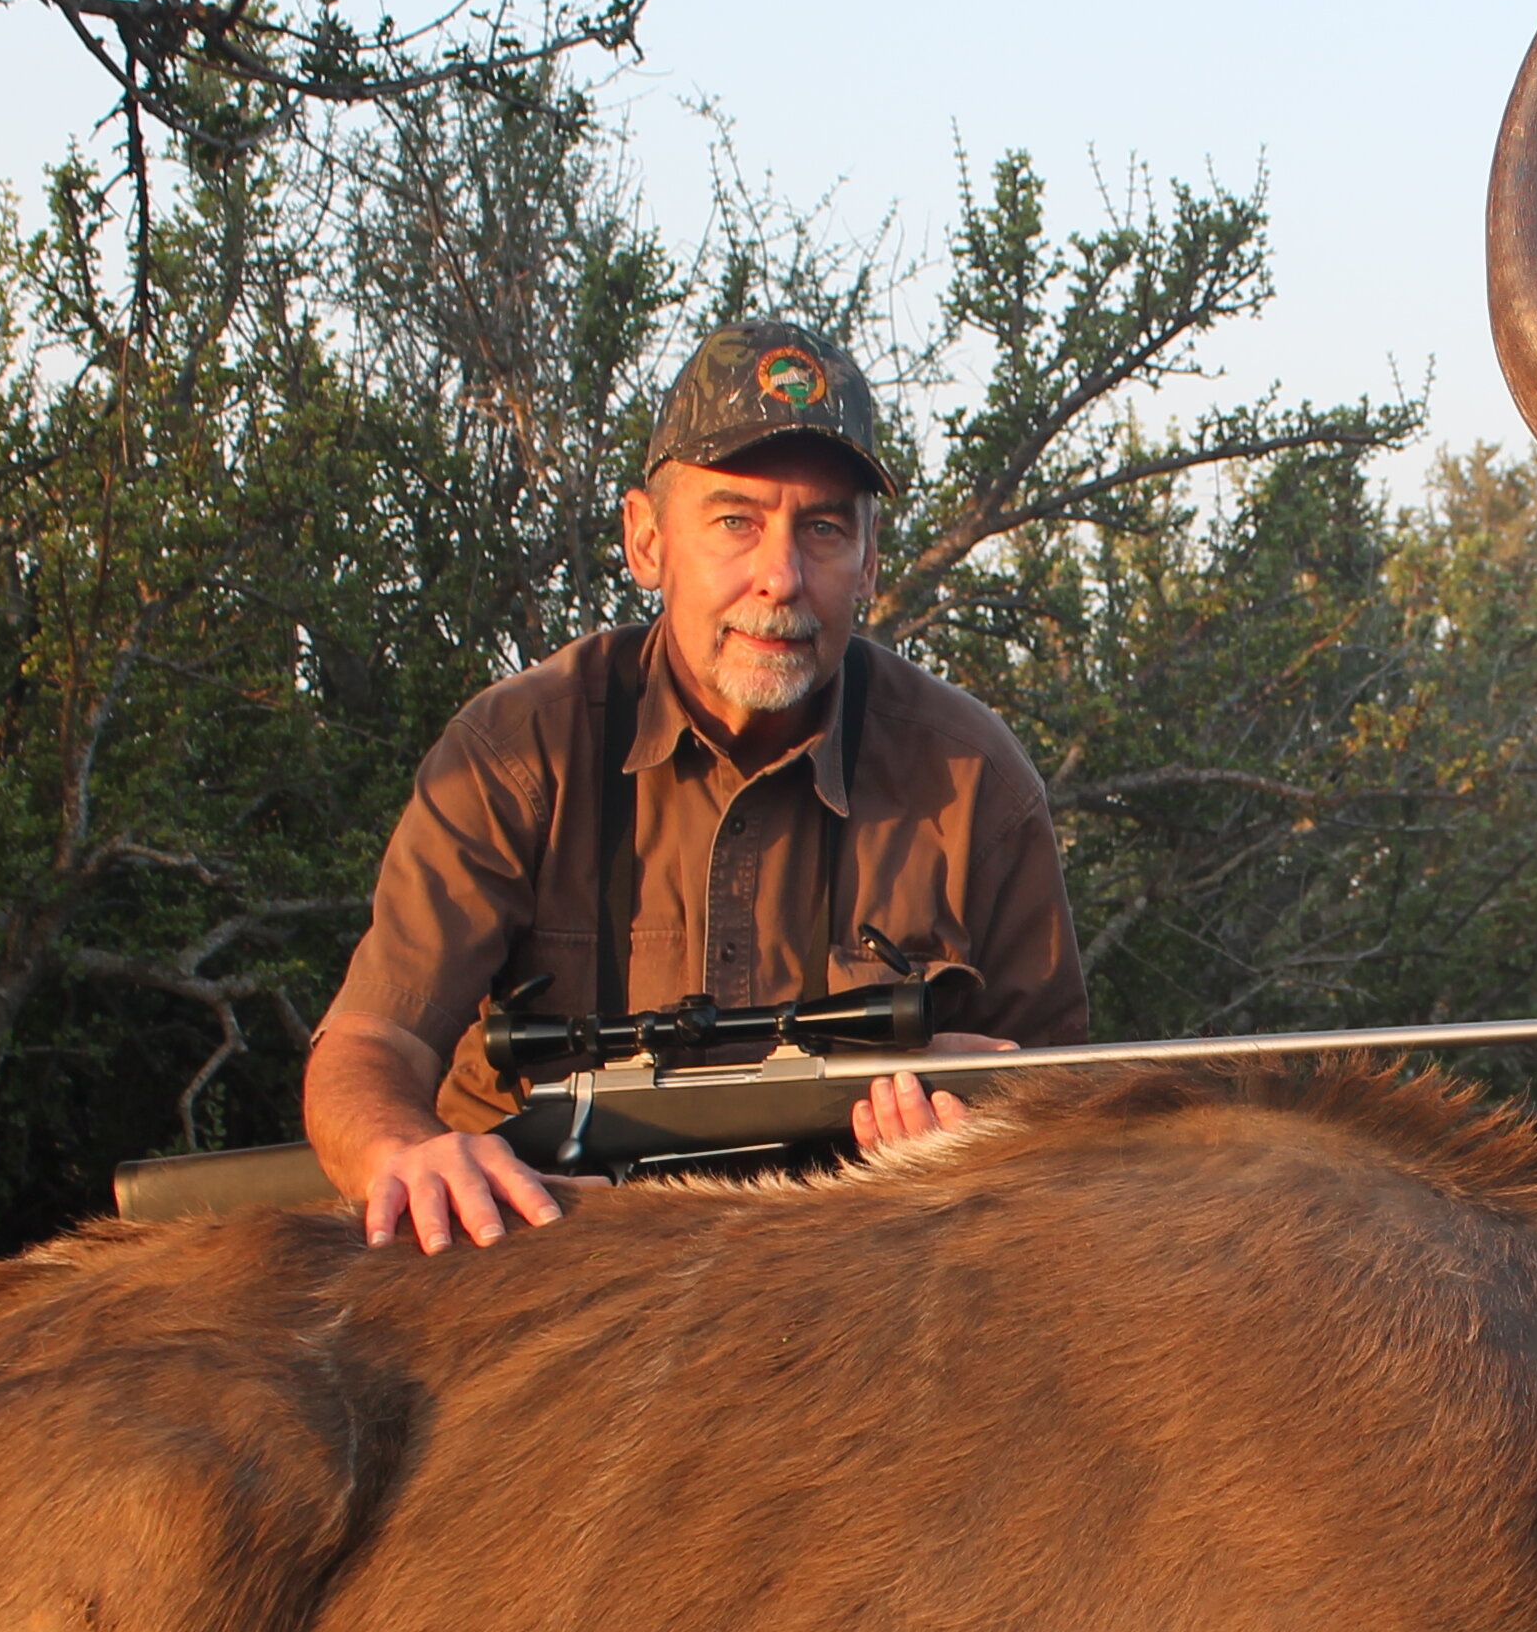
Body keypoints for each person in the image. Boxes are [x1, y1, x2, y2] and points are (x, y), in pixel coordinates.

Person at [309, 317, 1087, 1250]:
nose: (781, 577)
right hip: (535, 1280)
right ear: (645, 541)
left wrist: (984, 1150)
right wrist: (404, 1149)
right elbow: (370, 1045)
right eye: (734, 521)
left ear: (870, 561)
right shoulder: (513, 750)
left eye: (826, 529)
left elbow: (1068, 1126)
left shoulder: (978, 784)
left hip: (854, 1284)